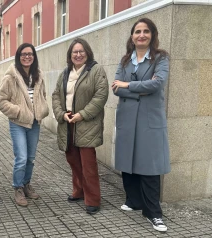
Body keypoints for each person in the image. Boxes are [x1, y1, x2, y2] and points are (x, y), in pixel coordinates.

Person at [111, 18, 170, 232]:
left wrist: (128, 85)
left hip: (148, 119)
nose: (141, 35)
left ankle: (153, 213)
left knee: (149, 165)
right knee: (128, 160)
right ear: (132, 36)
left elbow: (157, 84)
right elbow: (115, 88)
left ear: (152, 35)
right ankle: (134, 200)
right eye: (137, 31)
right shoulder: (126, 60)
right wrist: (140, 89)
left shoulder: (160, 58)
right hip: (127, 117)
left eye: (146, 31)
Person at [52, 38, 109, 215]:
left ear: (87, 52)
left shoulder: (96, 70)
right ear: (70, 55)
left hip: (86, 123)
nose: (78, 55)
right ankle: (79, 190)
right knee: (73, 160)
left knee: (88, 164)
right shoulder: (65, 73)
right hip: (68, 122)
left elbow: (101, 96)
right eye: (74, 52)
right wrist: (61, 113)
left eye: (81, 51)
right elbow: (55, 95)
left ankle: (93, 199)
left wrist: (82, 114)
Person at [0, 43, 49, 207]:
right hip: (18, 122)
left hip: (34, 123)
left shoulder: (38, 75)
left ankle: (26, 184)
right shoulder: (11, 77)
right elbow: (0, 100)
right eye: (24, 54)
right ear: (18, 57)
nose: (27, 57)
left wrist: (42, 109)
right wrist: (18, 111)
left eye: (30, 54)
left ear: (34, 57)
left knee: (31, 159)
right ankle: (17, 188)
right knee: (21, 158)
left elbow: (43, 95)